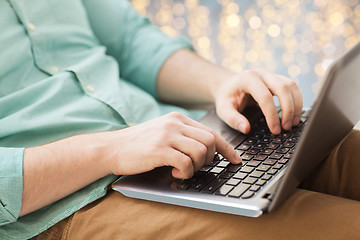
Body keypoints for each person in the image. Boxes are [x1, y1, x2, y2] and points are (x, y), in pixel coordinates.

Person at [0, 0, 359, 239]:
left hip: (185, 135)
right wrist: (111, 148)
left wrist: (222, 84)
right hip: (70, 202)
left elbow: (129, 40)